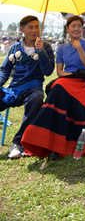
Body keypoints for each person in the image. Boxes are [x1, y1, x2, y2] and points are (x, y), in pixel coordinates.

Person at [21, 15, 85, 160]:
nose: (76, 28)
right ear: (68, 29)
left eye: (79, 26)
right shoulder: (63, 48)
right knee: (58, 85)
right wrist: (69, 75)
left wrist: (79, 49)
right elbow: (59, 71)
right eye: (73, 26)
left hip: (84, 81)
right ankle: (48, 142)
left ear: (82, 29)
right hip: (68, 79)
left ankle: (56, 146)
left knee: (58, 87)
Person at [0, 15, 55, 159]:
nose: (35, 30)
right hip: (13, 89)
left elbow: (48, 72)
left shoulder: (46, 47)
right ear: (22, 29)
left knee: (37, 98)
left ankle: (17, 143)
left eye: (37, 26)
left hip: (33, 89)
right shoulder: (15, 48)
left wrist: (41, 51)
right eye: (31, 27)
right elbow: (4, 71)